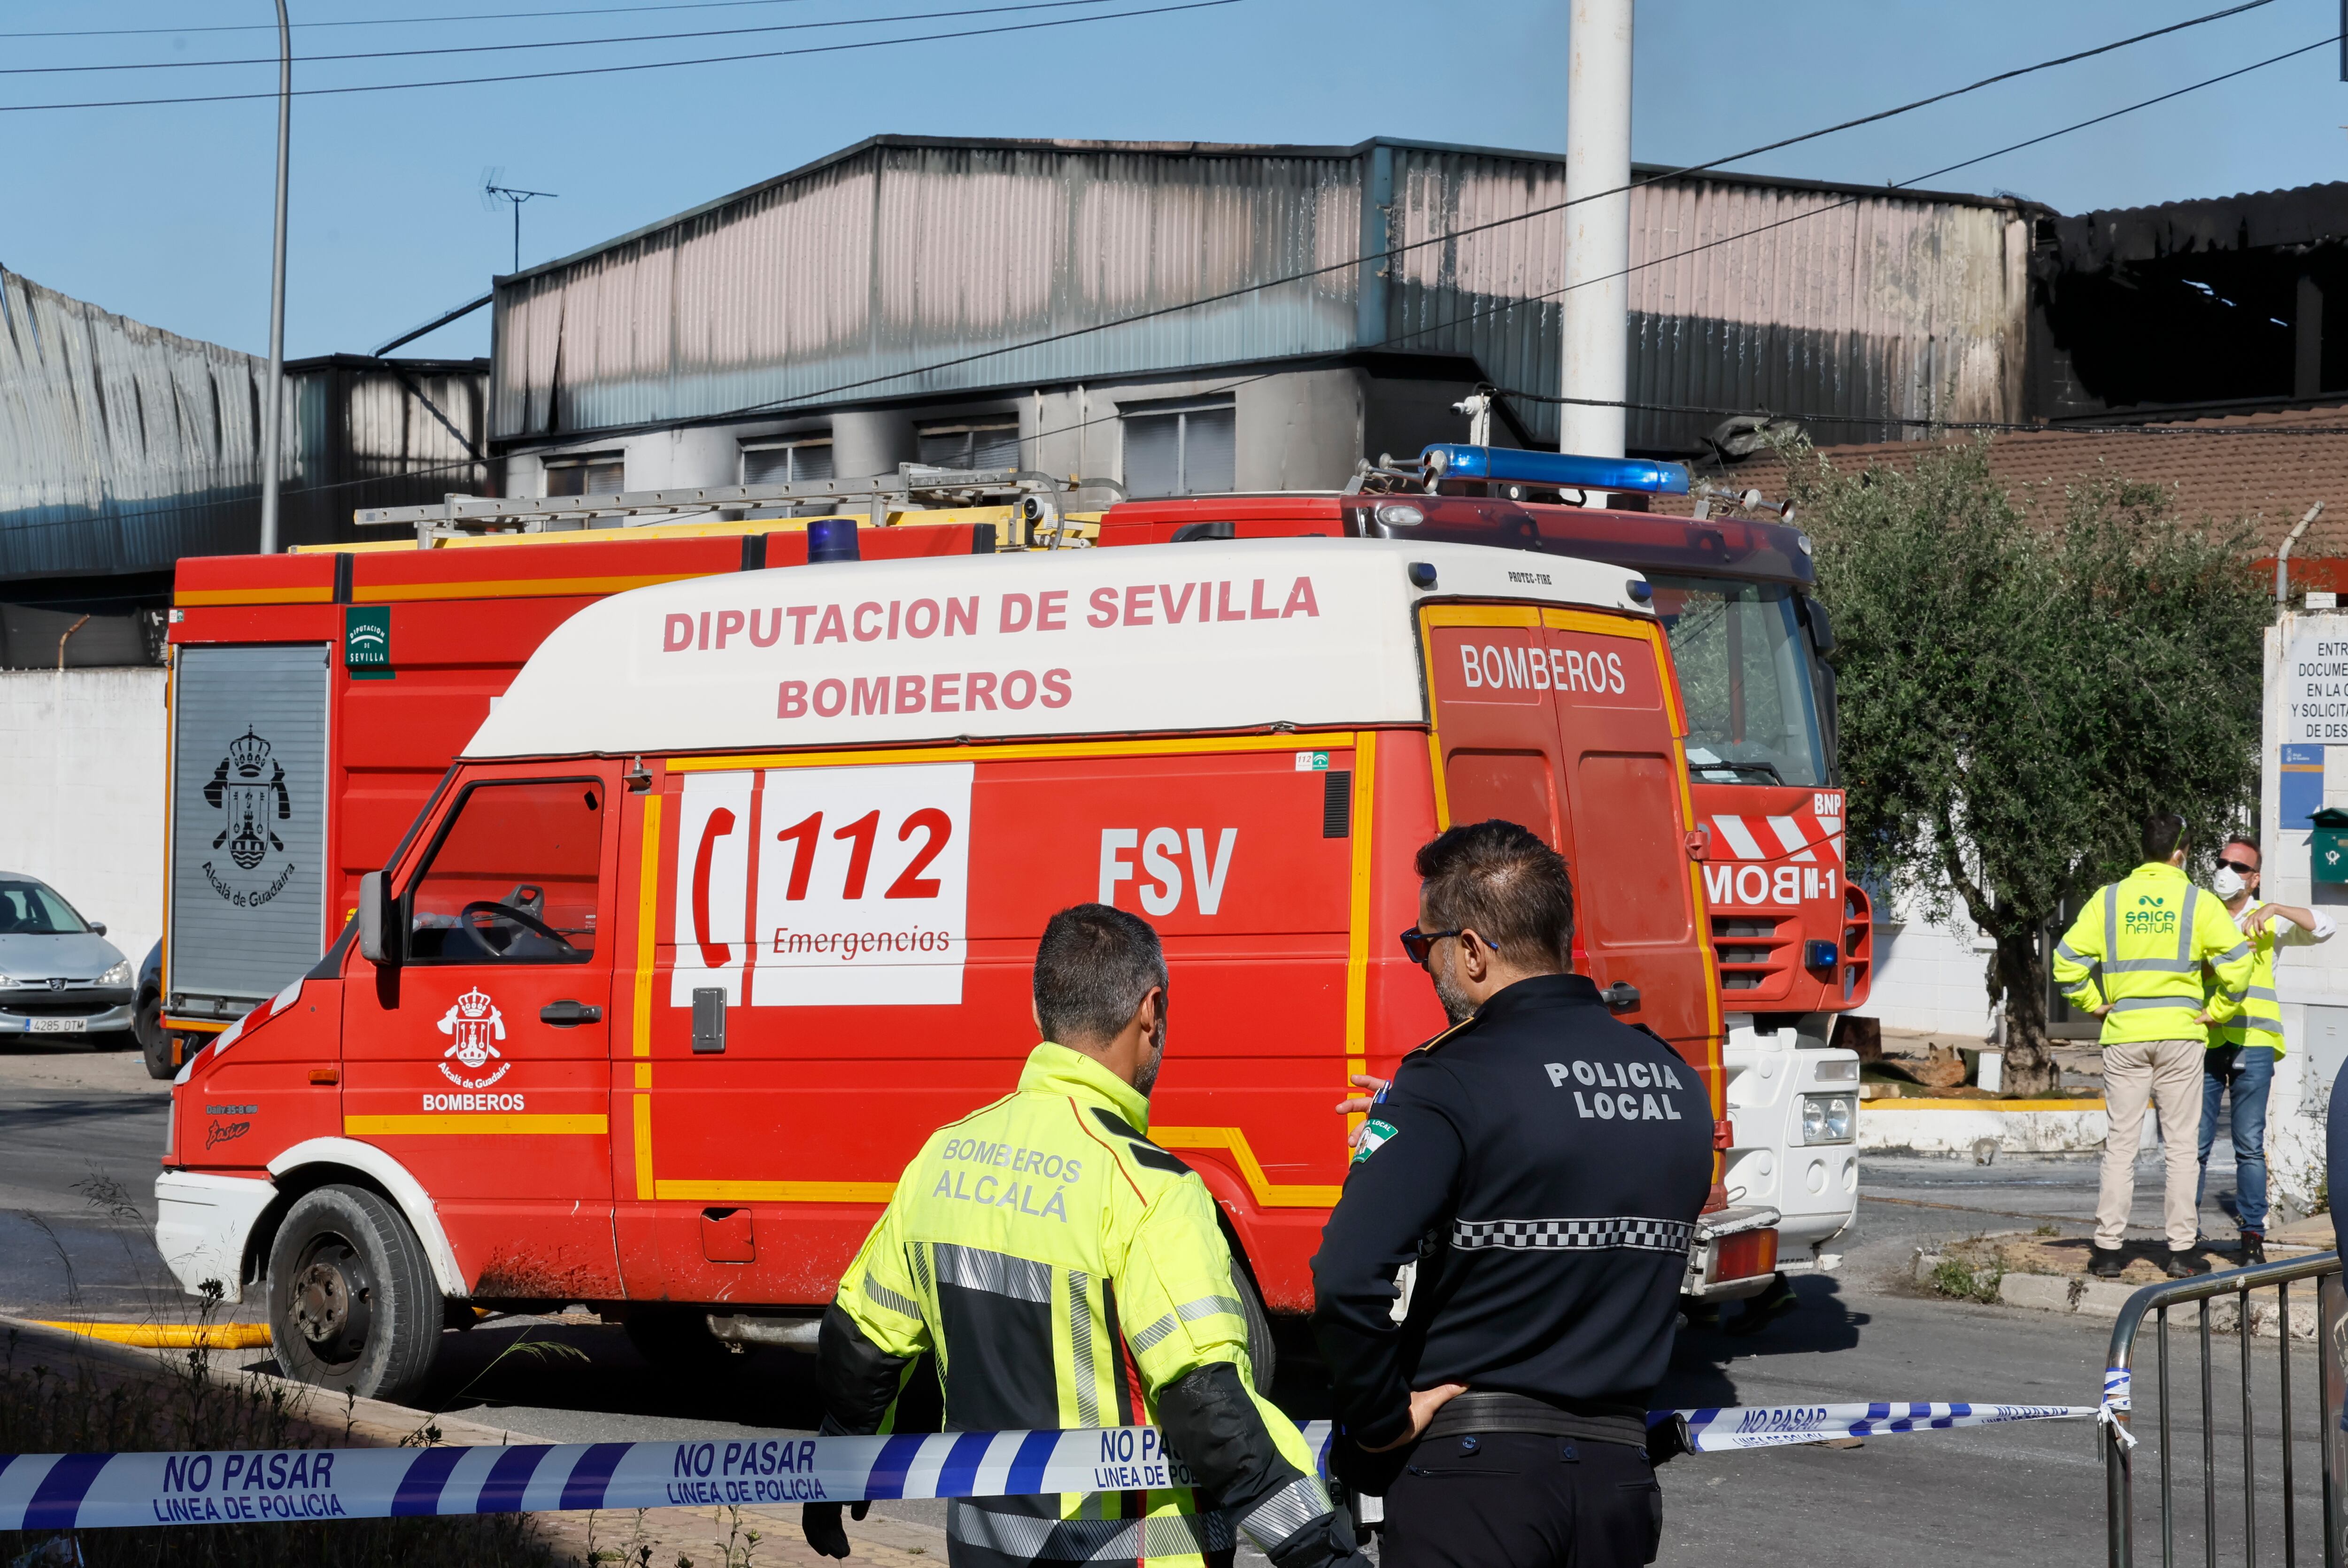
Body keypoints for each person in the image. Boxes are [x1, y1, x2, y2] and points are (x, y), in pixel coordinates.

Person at [804, 903, 1365, 1568]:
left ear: (1038, 1011)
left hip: (984, 1552)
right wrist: (1319, 1549)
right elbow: (1209, 1406)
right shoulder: (1150, 1189)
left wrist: (837, 1462)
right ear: (1150, 1010)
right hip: (1130, 1554)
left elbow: (862, 1341)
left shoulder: (941, 1158)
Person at [1311, 821, 1713, 1568]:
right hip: (1618, 1485)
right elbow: (1576, 1170)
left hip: (1475, 1483)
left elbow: (1345, 1275)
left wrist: (1379, 1421)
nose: (1422, 965)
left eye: (1420, 944)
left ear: (1471, 949)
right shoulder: (1672, 1079)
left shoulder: (1449, 1079)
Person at [2052, 813, 2255, 1281]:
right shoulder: (2197, 902)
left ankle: (2106, 1251)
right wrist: (2219, 1009)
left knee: (2120, 1145)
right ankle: (2181, 1252)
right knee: (2181, 1145)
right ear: (2179, 853)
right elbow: (2236, 965)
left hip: (2124, 1033)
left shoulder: (2108, 900)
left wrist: (2094, 1005)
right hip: (2181, 1034)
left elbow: (2065, 964)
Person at [2199, 833, 2334, 1264]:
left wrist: (2275, 907)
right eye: (2222, 863)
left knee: (2249, 1144)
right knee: (2194, 1144)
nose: (2226, 872)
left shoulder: (2266, 918)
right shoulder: (2201, 915)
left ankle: (2252, 1235)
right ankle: (2184, 1234)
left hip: (2254, 1042)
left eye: (2238, 867)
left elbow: (2325, 926)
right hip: (2205, 1038)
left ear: (2254, 879)